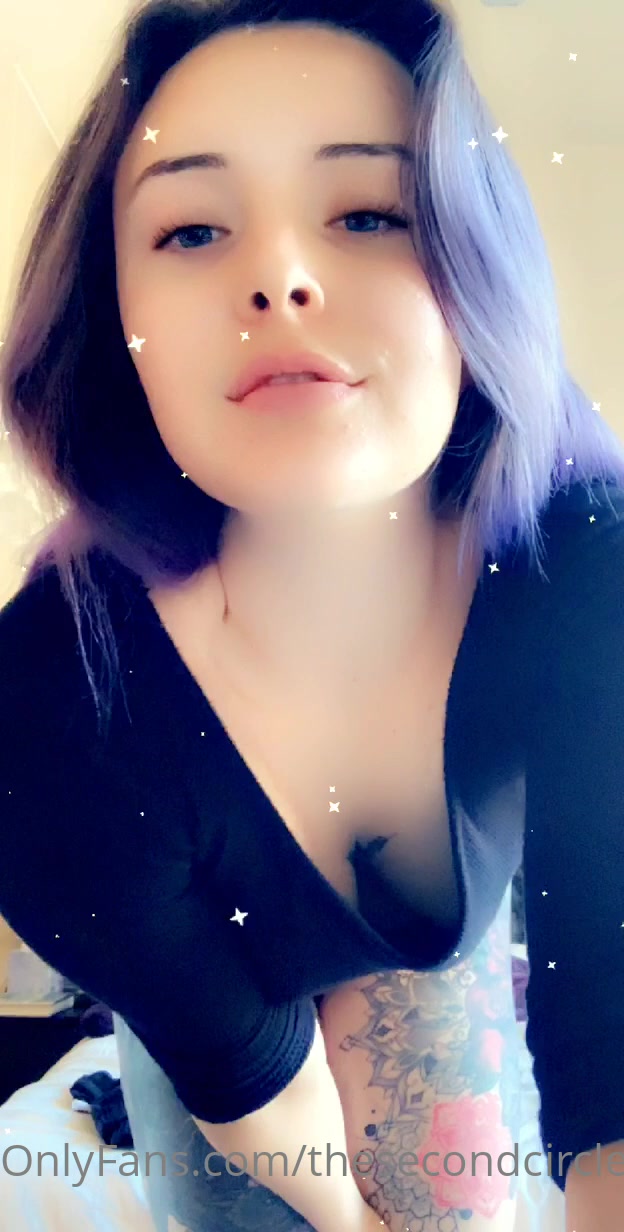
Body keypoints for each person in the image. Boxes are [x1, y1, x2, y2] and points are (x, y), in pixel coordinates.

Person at [1, 2, 624, 1231]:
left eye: (369, 213)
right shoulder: (48, 722)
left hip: (443, 952)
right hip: (224, 991)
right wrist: (348, 1216)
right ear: (117, 325)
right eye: (191, 228)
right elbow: (243, 1067)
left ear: (479, 264)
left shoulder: (588, 569)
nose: (281, 277)